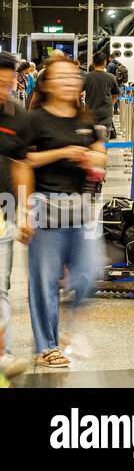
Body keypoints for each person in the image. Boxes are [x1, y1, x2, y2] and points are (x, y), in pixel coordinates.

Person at [21, 57, 107, 369]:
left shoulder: (84, 119)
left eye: (74, 76)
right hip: (44, 206)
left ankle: (68, 331)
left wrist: (95, 160)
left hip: (81, 208)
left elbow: (100, 157)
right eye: (62, 77)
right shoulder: (35, 120)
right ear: (46, 84)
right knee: (44, 281)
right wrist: (24, 211)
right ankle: (47, 347)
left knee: (89, 272)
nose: (71, 82)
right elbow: (24, 163)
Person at [0, 52, 33, 382]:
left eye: (8, 83)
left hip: (4, 208)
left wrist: (25, 210)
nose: (4, 89)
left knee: (1, 284)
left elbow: (22, 163)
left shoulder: (18, 115)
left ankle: (1, 352)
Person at [82, 53, 121, 139]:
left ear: (93, 62)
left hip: (90, 114)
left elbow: (78, 93)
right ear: (105, 62)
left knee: (90, 141)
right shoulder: (111, 77)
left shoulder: (87, 77)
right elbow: (115, 95)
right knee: (103, 142)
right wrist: (110, 104)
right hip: (106, 115)